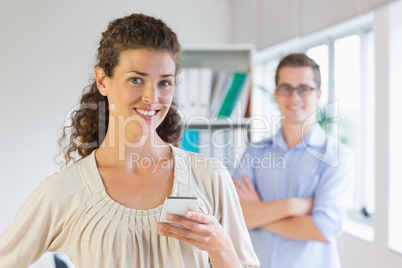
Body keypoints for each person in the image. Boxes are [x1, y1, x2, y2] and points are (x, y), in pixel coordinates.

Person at [0, 13, 259, 268]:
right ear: (103, 80)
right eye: (136, 79)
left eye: (165, 83)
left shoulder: (210, 177)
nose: (152, 97)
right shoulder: (66, 191)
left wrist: (221, 247)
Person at [232, 53, 354, 268]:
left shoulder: (337, 156)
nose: (294, 97)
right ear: (277, 94)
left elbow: (323, 229)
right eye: (286, 88)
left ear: (318, 94)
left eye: (304, 88)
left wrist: (259, 212)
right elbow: (235, 216)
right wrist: (293, 206)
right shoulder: (255, 152)